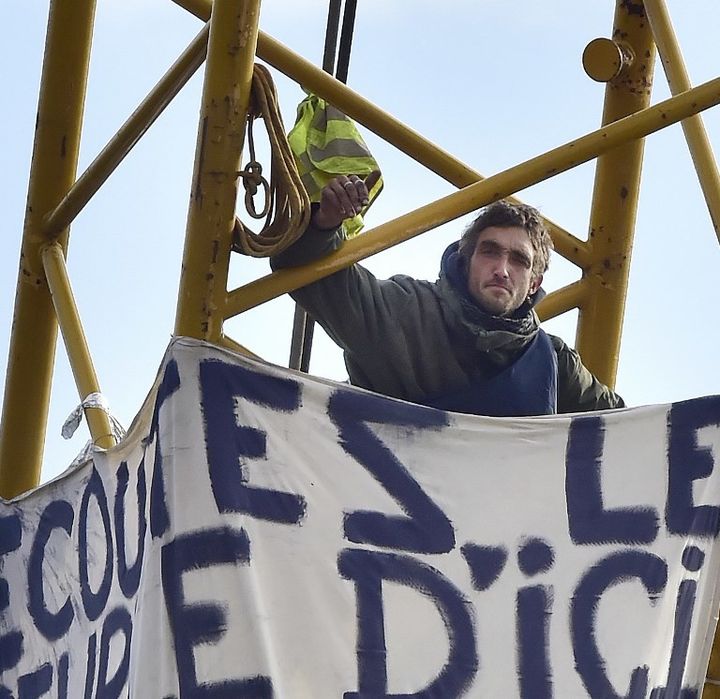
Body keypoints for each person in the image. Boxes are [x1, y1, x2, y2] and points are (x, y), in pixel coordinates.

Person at [271, 174, 624, 416]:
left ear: (534, 282)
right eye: (490, 252)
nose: (502, 269)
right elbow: (308, 274)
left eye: (518, 260)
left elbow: (629, 432)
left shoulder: (554, 363)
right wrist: (324, 223)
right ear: (466, 260)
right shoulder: (405, 312)